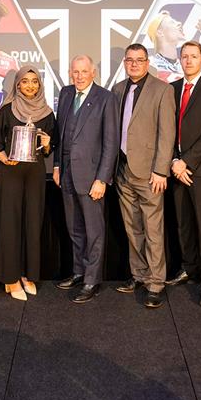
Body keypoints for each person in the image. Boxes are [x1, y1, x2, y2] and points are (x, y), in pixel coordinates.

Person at [113, 43, 176, 309]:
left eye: (139, 60)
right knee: (132, 228)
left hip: (150, 173)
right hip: (123, 169)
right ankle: (138, 275)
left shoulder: (162, 89)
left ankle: (156, 283)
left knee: (153, 230)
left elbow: (167, 133)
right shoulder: (117, 89)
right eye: (130, 60)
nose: (134, 64)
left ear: (147, 62)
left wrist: (161, 169)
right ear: (125, 63)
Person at [54, 55, 119, 303]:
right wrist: (58, 165)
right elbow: (61, 132)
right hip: (67, 174)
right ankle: (79, 271)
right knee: (74, 228)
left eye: (84, 72)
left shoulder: (106, 98)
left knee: (94, 231)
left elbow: (111, 143)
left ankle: (92, 280)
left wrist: (102, 179)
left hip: (92, 177)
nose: (79, 76)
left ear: (94, 72)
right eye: (75, 72)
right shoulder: (66, 93)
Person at [165, 41, 201, 307]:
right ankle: (189, 268)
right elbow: (165, 129)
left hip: (199, 171)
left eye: (193, 56)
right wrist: (174, 162)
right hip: (175, 168)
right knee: (183, 223)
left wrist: (185, 161)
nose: (188, 60)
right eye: (184, 56)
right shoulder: (172, 89)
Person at [0, 66, 55, 300]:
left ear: (40, 85)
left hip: (35, 173)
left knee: (32, 222)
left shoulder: (48, 113)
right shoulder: (7, 110)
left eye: (34, 82)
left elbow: (49, 150)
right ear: (17, 85)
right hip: (11, 172)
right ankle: (10, 278)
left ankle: (28, 274)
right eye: (25, 81)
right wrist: (2, 157)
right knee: (9, 223)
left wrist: (47, 143)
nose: (30, 85)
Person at [147, 11, 185, 83]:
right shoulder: (149, 65)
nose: (179, 23)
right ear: (160, 32)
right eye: (172, 22)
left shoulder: (185, 66)